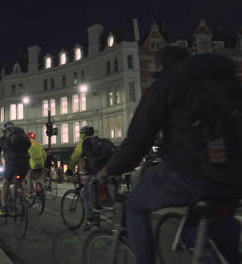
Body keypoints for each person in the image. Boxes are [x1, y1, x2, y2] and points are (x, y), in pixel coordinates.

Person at [98, 47, 242, 264]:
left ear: (162, 65)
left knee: (135, 204)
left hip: (192, 169)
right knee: (204, 229)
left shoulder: (168, 83)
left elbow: (138, 139)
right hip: (234, 173)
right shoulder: (226, 82)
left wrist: (110, 169)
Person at [0, 121, 30, 216]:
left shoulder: (1, 140)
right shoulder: (23, 137)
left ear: (3, 131)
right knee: (20, 181)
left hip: (12, 163)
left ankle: (3, 208)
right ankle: (23, 201)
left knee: (6, 183)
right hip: (25, 162)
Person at [65, 125, 98, 227]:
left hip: (93, 172)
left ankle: (90, 219)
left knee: (85, 194)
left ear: (82, 134)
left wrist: (69, 169)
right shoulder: (98, 141)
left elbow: (75, 157)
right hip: (105, 171)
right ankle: (98, 212)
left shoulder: (83, 143)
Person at [26, 132, 46, 196]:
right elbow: (44, 155)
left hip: (32, 164)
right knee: (40, 177)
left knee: (29, 177)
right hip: (41, 164)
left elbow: (25, 155)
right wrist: (44, 163)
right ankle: (41, 188)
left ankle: (30, 192)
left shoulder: (27, 144)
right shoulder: (39, 144)